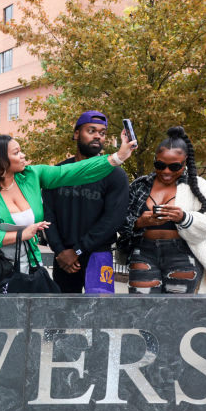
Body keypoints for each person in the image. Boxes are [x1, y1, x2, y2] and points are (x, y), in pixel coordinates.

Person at [0, 132, 136, 278]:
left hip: (31, 266)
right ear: (1, 160)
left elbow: (72, 171)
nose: (23, 155)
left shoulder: (32, 175)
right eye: (17, 153)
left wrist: (117, 158)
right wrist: (22, 234)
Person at [119, 127, 206, 294]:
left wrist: (183, 218)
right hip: (143, 251)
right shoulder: (140, 185)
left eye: (174, 167)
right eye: (160, 165)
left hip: (182, 253)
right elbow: (119, 222)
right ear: (155, 160)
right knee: (141, 308)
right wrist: (139, 223)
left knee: (177, 310)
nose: (166, 172)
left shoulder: (198, 186)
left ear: (185, 161)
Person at [42, 111, 129, 293]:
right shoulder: (59, 172)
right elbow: (47, 215)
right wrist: (59, 251)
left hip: (98, 255)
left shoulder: (115, 175)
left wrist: (78, 250)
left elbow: (113, 220)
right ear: (76, 134)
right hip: (64, 259)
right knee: (62, 314)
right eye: (91, 130)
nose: (98, 135)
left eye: (102, 132)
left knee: (99, 314)